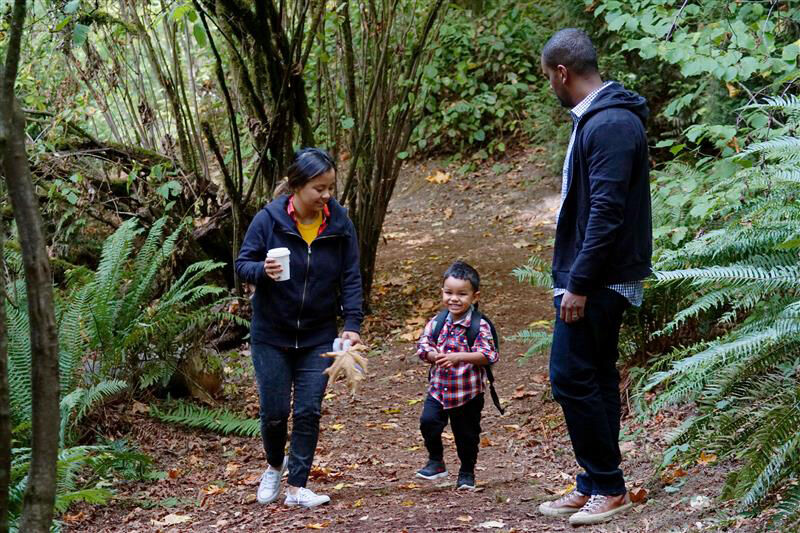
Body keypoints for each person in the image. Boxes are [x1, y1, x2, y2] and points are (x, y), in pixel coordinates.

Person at [535, 29, 652, 526]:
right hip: (597, 273)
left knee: (569, 375)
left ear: (563, 72)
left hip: (599, 277)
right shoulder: (600, 120)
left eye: (548, 78)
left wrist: (577, 283)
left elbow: (606, 213)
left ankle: (607, 485)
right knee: (596, 374)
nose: (550, 88)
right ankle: (595, 481)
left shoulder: (609, 125)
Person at [235, 147, 363, 508]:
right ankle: (275, 465)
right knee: (274, 412)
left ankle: (297, 486)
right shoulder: (269, 220)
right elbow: (242, 263)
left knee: (309, 410)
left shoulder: (339, 223)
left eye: (330, 188)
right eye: (318, 189)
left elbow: (351, 277)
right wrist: (263, 271)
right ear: (296, 186)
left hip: (317, 333)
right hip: (271, 334)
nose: (326, 196)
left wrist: (352, 324)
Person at [414, 261, 499, 490]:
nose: (454, 298)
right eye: (449, 292)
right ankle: (436, 461)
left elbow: (489, 355)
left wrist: (459, 357)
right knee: (428, 422)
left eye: (462, 294)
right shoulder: (438, 322)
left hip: (468, 392)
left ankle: (466, 472)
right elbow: (423, 346)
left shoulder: (479, 326)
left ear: (475, 296)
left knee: (466, 436)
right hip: (439, 389)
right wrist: (433, 355)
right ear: (442, 292)